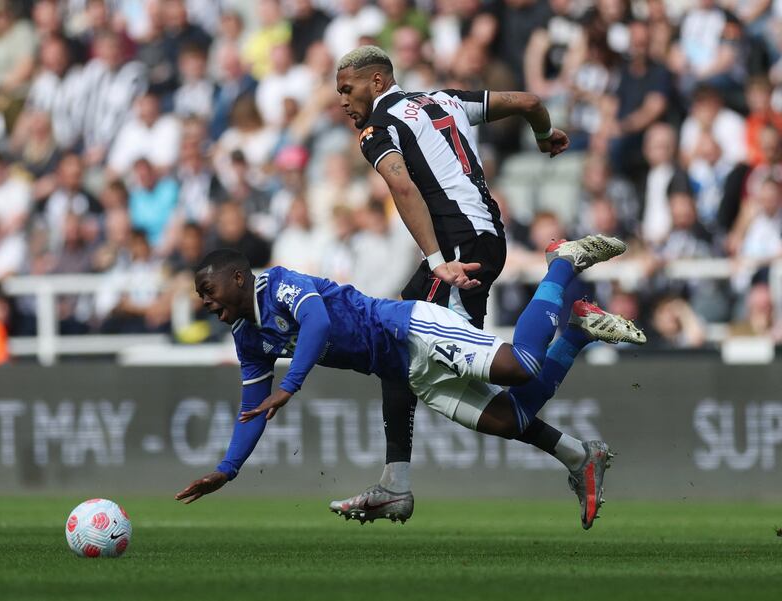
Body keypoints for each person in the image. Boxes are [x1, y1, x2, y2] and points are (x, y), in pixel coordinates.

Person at [175, 237, 646, 529]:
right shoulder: (247, 336)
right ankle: (578, 332)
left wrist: (292, 383)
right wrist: (228, 468)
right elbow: (252, 406)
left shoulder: (277, 285)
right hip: (409, 371)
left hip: (412, 329)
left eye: (210, 293)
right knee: (511, 418)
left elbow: (316, 323)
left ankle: (562, 263)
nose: (208, 305)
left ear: (238, 277)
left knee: (522, 364)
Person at [332, 45, 605, 528]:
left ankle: (563, 275)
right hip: (484, 237)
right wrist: (546, 135)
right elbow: (526, 100)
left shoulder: (380, 127)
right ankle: (575, 453)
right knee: (457, 383)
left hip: (458, 251)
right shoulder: (446, 99)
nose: (342, 102)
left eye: (347, 89)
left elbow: (402, 187)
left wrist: (437, 261)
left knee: (503, 372)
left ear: (376, 82)